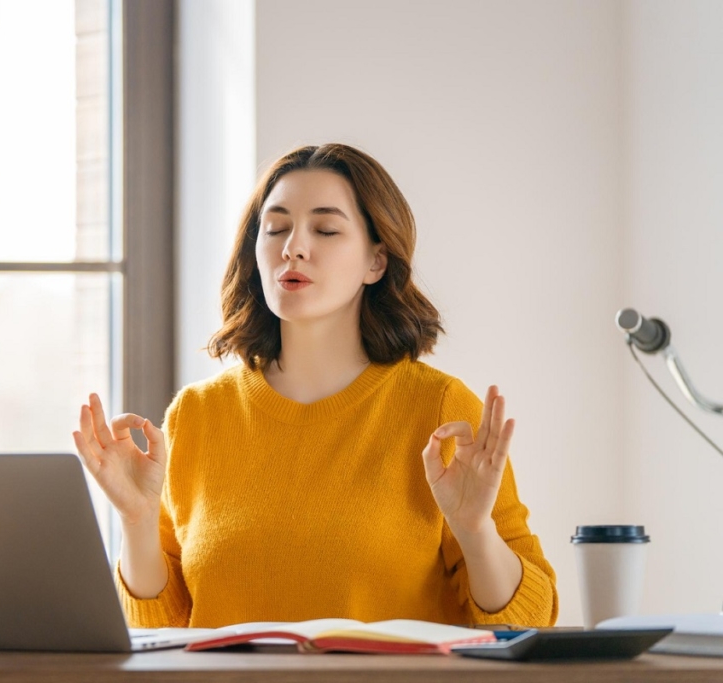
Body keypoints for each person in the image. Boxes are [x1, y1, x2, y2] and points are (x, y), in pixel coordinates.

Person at [72, 143, 558, 629]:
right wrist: (137, 524)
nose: (293, 247)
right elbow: (160, 631)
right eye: (276, 228)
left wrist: (475, 532)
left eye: (325, 229)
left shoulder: (440, 411)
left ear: (376, 262)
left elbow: (530, 623)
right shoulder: (196, 415)